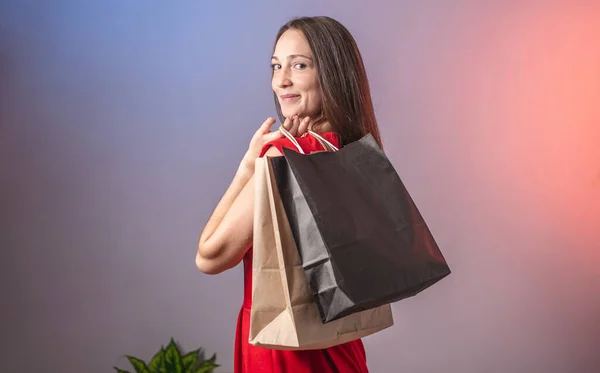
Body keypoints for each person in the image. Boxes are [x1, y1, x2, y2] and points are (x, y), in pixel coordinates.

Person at [196, 16, 384, 373]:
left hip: (283, 349)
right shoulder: (356, 152)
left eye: (299, 66)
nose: (281, 80)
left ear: (330, 73)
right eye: (276, 66)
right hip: (342, 346)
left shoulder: (282, 157)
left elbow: (210, 257)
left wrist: (247, 168)